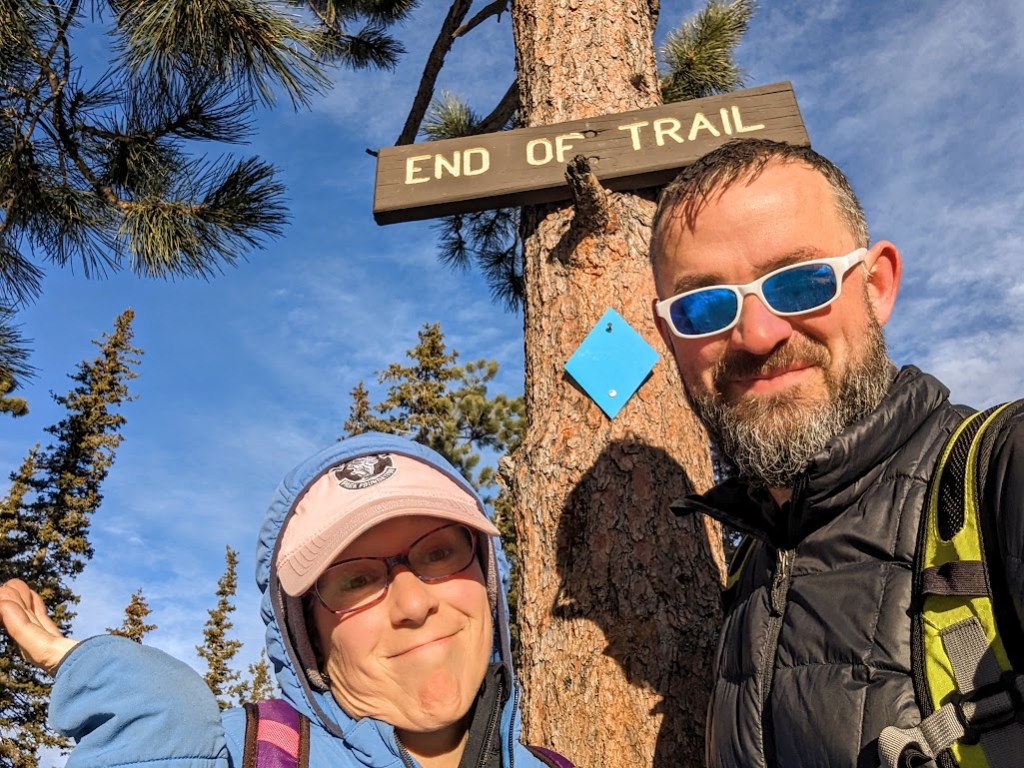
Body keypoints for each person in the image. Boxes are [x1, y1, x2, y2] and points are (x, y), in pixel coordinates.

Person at [648, 138, 1024, 767]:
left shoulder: (1000, 475)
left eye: (798, 283)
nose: (759, 334)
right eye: (704, 306)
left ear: (876, 286)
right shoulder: (753, 571)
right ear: (670, 336)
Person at [0, 432, 570, 768]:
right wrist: (150, 725)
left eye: (440, 552)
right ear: (307, 637)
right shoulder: (243, 754)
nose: (413, 603)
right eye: (355, 580)